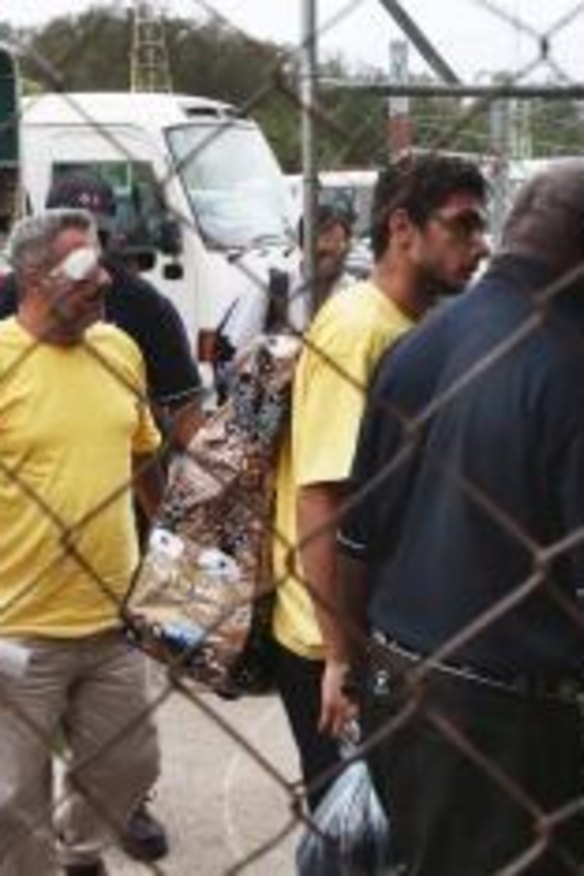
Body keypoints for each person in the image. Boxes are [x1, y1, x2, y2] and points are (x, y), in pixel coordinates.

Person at [334, 158, 584, 874]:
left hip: (400, 691)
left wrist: (354, 670)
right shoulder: (569, 362)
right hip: (514, 725)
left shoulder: (418, 346)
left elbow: (356, 538)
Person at [268, 152, 489, 812]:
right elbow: (321, 497)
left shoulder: (420, 324)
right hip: (330, 638)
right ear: (402, 228)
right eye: (462, 226)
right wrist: (340, 655)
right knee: (353, 829)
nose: (479, 246)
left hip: (389, 627)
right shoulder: (360, 328)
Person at [0, 172, 203, 861]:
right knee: (11, 801)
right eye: (86, 268)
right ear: (33, 276)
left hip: (113, 615)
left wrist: (173, 562)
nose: (106, 282)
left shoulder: (119, 349)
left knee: (129, 767)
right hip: (16, 627)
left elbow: (145, 457)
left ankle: (81, 854)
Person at [0, 172, 204, 450]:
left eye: (99, 236)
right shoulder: (10, 295)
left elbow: (185, 403)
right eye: (73, 245)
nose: (90, 249)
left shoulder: (145, 304)